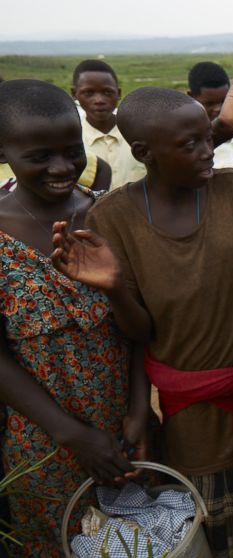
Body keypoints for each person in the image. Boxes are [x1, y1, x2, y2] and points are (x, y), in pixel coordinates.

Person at [62, 86, 233, 556]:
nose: (208, 151)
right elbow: (140, 334)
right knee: (220, 531)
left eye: (208, 138)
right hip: (191, 414)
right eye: (190, 145)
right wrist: (114, 289)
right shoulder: (113, 218)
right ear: (144, 153)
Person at [0, 79, 144, 557]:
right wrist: (73, 435)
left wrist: (140, 410)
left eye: (71, 150)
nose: (62, 168)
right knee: (61, 542)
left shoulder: (108, 215)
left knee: (136, 539)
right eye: (39, 156)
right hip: (42, 443)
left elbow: (140, 330)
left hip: (127, 430)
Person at [71, 59, 147, 189]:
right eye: (88, 93)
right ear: (74, 94)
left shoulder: (142, 134)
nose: (99, 100)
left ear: (119, 93)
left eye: (107, 92)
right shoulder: (71, 140)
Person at [187, 61, 233, 168]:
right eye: (209, 103)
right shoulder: (185, 136)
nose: (218, 109)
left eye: (224, 101)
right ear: (191, 97)